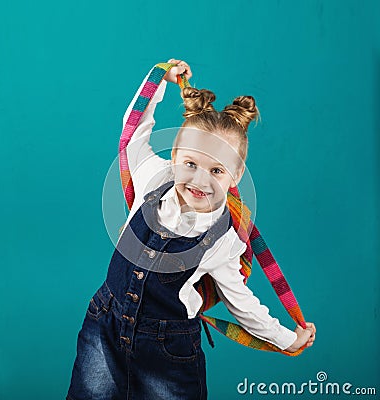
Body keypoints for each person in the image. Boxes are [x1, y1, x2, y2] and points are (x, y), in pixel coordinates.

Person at [66, 59, 316, 400]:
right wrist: (160, 79)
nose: (200, 179)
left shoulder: (225, 238)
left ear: (235, 176)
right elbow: (133, 130)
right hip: (104, 327)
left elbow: (240, 301)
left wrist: (288, 338)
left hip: (168, 347)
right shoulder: (152, 177)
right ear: (174, 157)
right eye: (190, 164)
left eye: (216, 171)